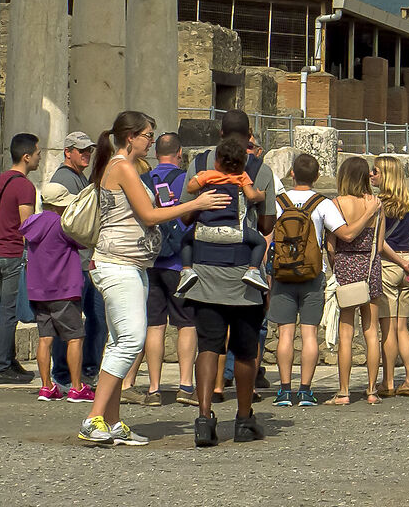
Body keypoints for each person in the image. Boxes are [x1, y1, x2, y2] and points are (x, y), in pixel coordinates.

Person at [81, 111, 227, 446]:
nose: (150, 140)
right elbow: (148, 215)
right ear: (131, 137)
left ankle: (113, 421)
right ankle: (94, 418)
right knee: (131, 341)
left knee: (121, 342)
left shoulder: (122, 167)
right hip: (118, 264)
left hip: (132, 264)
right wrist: (197, 203)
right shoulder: (122, 167)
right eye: (148, 135)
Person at [183, 133, 275, 445]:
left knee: (208, 346)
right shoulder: (256, 171)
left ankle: (204, 418)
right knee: (246, 351)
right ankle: (244, 419)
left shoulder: (201, 172)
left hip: (206, 272)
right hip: (242, 278)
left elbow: (185, 217)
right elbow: (264, 226)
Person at [268, 153, 338, 409]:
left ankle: (285, 390)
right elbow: (339, 233)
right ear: (317, 176)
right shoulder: (323, 203)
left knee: (285, 334)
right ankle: (306, 391)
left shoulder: (278, 202)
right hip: (312, 273)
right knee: (309, 334)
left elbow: (268, 235)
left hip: (283, 273)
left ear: (292, 173)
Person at [136, 132, 199, 403]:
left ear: (155, 153)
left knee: (155, 325)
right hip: (179, 260)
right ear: (180, 152)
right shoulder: (187, 180)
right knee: (186, 324)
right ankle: (185, 385)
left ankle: (154, 387)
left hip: (150, 261)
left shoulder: (143, 180)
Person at [44, 131, 105, 386]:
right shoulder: (64, 180)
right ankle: (65, 373)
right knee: (69, 322)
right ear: (67, 152)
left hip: (83, 260)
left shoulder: (78, 177)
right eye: (81, 151)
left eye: (89, 151)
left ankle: (86, 368)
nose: (86, 155)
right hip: (75, 261)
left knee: (93, 318)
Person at [0, 133, 42, 385]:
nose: (39, 157)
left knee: (6, 310)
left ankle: (8, 359)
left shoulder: (0, 180)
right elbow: (28, 225)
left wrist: (2, 234)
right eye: (38, 153)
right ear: (26, 157)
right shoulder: (25, 186)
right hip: (14, 256)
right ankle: (0, 367)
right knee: (9, 314)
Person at [324, 155, 386, 404]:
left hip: (346, 264)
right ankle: (372, 390)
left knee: (346, 332)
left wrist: (335, 265)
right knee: (371, 331)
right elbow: (379, 244)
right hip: (370, 265)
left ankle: (344, 391)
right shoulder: (376, 204)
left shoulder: (337, 204)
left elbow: (331, 244)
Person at [20, 194, 86, 402]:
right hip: (64, 289)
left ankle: (46, 386)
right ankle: (76, 387)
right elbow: (84, 240)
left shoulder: (32, 223)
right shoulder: (62, 224)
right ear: (59, 204)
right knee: (75, 337)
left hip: (39, 290)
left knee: (45, 338)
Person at [372, 160, 409, 394]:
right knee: (403, 327)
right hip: (408, 265)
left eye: (376, 171)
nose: (372, 175)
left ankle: (389, 381)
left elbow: (379, 242)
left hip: (389, 265)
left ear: (386, 176)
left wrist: (400, 262)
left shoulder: (379, 204)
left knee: (388, 328)